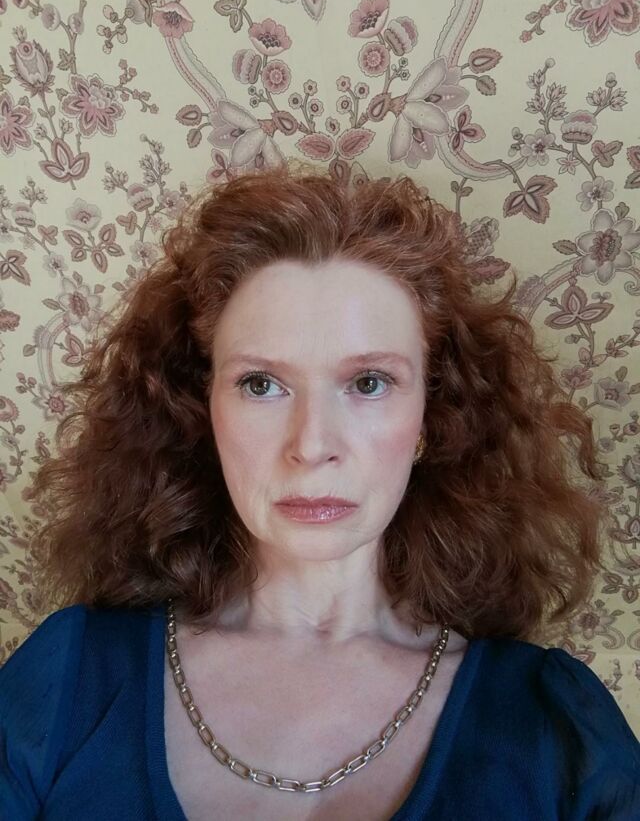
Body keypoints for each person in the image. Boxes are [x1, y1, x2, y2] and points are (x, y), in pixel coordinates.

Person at [1, 168, 639, 821]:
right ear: (202, 407)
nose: (311, 444)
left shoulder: (553, 728)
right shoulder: (68, 683)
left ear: (431, 414)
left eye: (368, 382)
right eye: (260, 384)